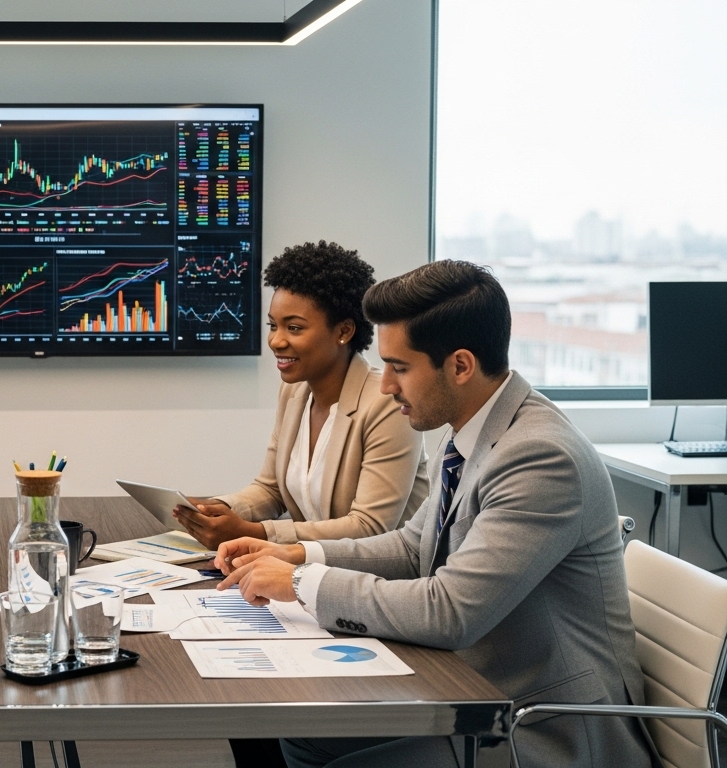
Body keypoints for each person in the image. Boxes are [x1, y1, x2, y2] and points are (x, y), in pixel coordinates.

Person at [214, 261, 651, 768]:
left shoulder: (540, 458)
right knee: (297, 734)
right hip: (473, 692)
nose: (385, 386)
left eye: (399, 368)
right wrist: (293, 551)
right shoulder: (467, 426)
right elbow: (409, 546)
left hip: (545, 723)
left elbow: (450, 612)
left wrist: (301, 580)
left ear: (460, 366)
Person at [174, 241, 428, 551]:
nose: (276, 341)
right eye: (273, 325)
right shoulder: (294, 391)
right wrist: (218, 509)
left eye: (294, 328)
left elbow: (369, 528)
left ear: (344, 331)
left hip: (379, 582)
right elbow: (270, 490)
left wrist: (259, 534)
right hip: (311, 574)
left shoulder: (386, 404)